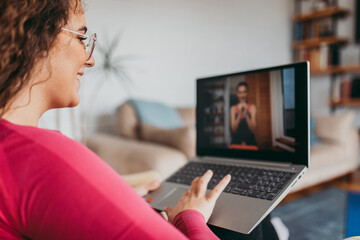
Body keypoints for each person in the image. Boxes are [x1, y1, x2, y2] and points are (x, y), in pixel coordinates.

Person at [0, 0, 231, 239]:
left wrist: (116, 197)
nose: (90, 60)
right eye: (81, 38)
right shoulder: (39, 157)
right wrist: (190, 218)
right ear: (34, 38)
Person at [230, 82, 257, 146]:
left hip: (250, 141)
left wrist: (247, 116)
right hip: (236, 140)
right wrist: (239, 116)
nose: (242, 95)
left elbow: (253, 129)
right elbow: (233, 129)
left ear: (247, 93)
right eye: (240, 92)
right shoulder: (233, 109)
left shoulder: (252, 107)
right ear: (237, 94)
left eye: (244, 92)